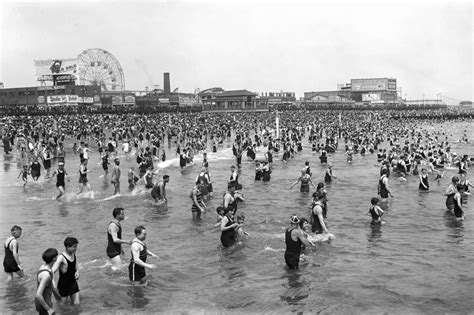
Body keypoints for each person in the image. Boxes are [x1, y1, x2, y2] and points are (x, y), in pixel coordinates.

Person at [52, 237, 80, 305]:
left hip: (73, 283)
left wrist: (77, 273)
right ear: (67, 247)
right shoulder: (61, 258)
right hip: (63, 286)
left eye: (76, 246)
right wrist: (54, 286)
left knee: (77, 305)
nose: (76, 248)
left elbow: (76, 268)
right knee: (62, 308)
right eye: (74, 247)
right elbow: (52, 271)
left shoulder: (73, 254)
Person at [35, 248, 60, 315]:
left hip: (44, 302)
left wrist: (56, 293)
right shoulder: (46, 275)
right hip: (44, 304)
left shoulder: (43, 267)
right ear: (54, 259)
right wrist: (49, 309)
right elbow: (38, 295)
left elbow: (51, 279)